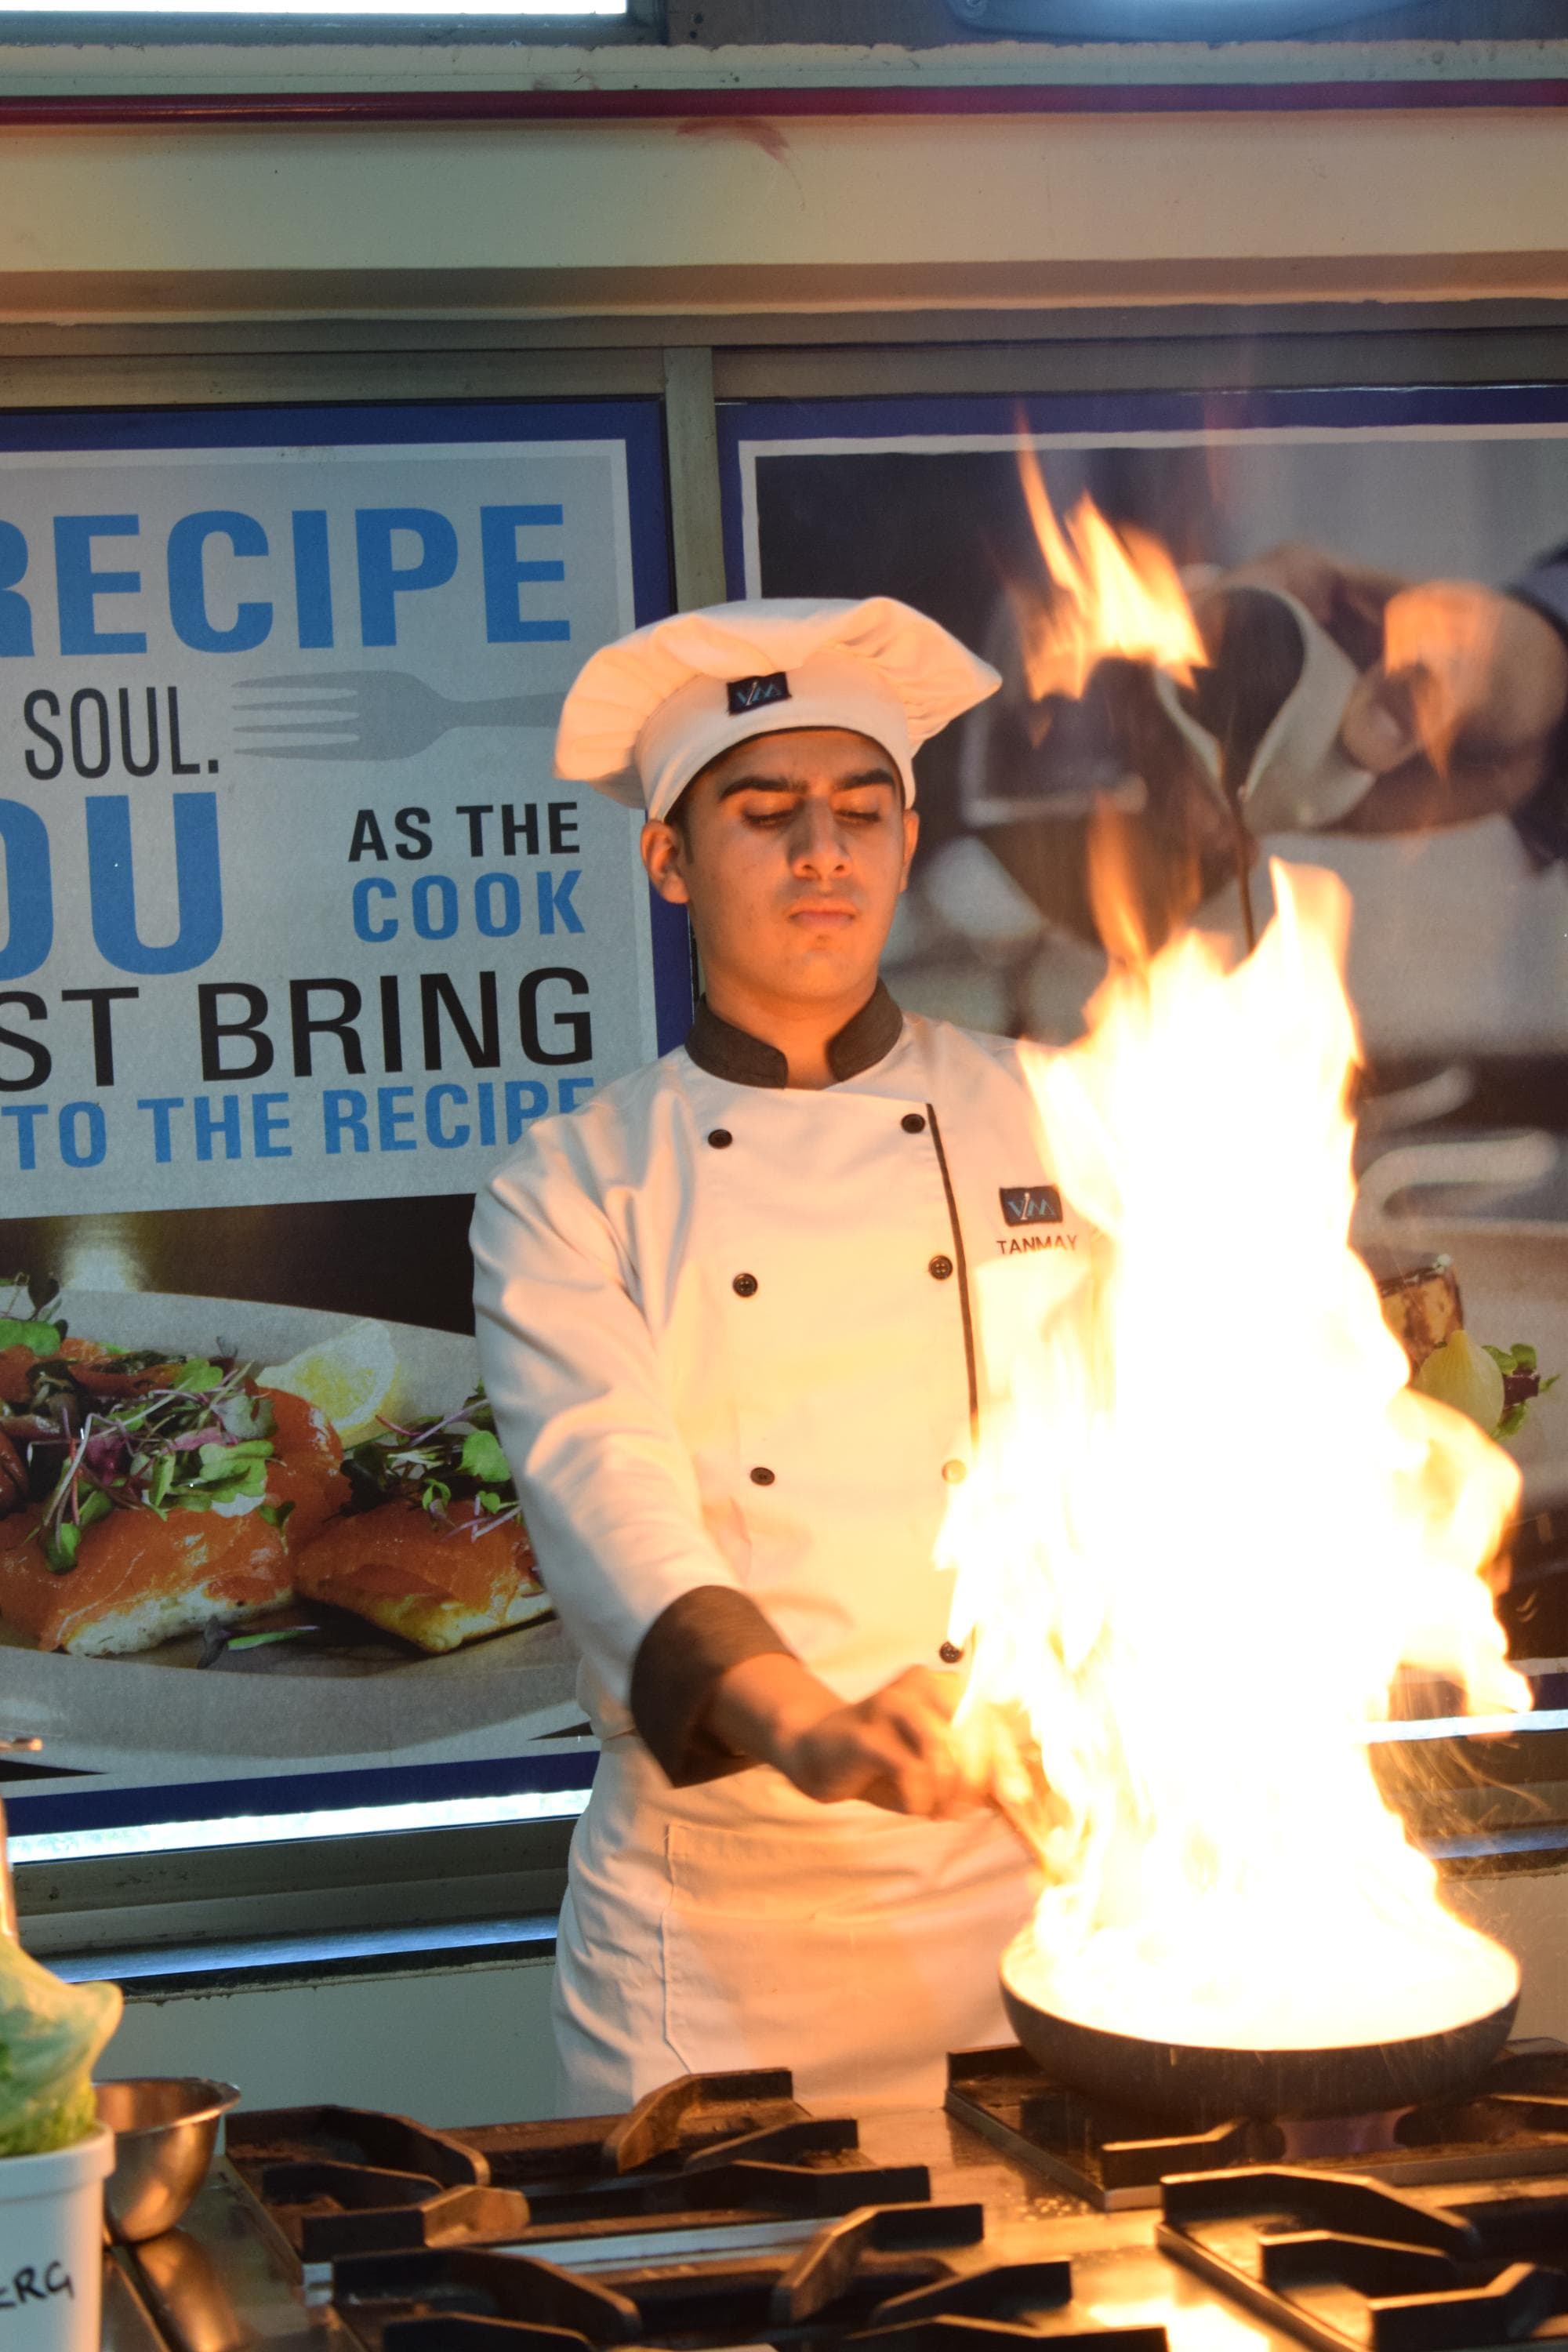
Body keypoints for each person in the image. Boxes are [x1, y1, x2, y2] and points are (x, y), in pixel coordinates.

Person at [472, 597, 1090, 2114]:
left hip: (1039, 1892)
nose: (824, 852)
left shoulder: (1066, 1117)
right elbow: (605, 1498)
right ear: (670, 861)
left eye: (860, 813)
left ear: (901, 840)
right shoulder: (574, 1183)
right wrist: (809, 1724)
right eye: (768, 815)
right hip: (724, 1933)